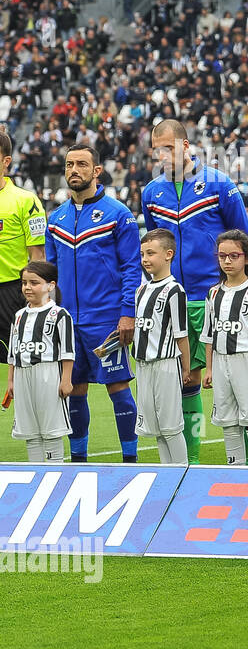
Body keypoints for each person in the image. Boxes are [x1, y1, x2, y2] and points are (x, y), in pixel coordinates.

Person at [142, 118, 248, 463]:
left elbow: (243, 240)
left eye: (169, 148)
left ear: (186, 146)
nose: (164, 155)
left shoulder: (219, 184)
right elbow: (156, 246)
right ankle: (192, 461)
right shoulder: (151, 193)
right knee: (186, 383)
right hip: (174, 300)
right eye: (158, 150)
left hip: (215, 297)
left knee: (232, 381)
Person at [46, 144, 141, 462]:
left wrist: (127, 314)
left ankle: (130, 461)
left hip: (107, 322)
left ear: (96, 171)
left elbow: (131, 268)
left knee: (118, 388)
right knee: (73, 389)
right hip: (68, 323)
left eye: (82, 164)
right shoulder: (56, 219)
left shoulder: (119, 214)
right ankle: (78, 461)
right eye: (69, 164)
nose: (74, 170)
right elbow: (50, 273)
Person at [201, 230, 248, 466]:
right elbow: (209, 335)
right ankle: (236, 470)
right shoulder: (213, 293)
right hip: (222, 364)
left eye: (234, 256)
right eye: (222, 256)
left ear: (247, 258)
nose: (227, 261)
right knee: (229, 422)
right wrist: (210, 369)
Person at [4, 261, 72, 463]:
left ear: (50, 286)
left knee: (51, 429)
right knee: (29, 430)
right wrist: (11, 381)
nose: (27, 287)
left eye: (34, 283)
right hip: (23, 375)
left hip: (48, 374)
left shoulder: (60, 315)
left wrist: (66, 380)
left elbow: (68, 351)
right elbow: (13, 351)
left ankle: (55, 471)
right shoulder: (19, 315)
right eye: (24, 283)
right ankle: (37, 472)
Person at [133, 229, 191, 465]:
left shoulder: (175, 290)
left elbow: (181, 334)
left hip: (166, 364)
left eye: (151, 253)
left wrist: (185, 368)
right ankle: (169, 475)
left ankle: (183, 474)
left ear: (168, 255)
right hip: (143, 366)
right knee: (156, 427)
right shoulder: (141, 289)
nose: (145, 259)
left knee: (171, 426)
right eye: (143, 254)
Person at [0, 128, 47, 364]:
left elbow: (37, 255)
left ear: (6, 161)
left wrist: (39, 299)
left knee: (19, 362)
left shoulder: (26, 201)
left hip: (11, 291)